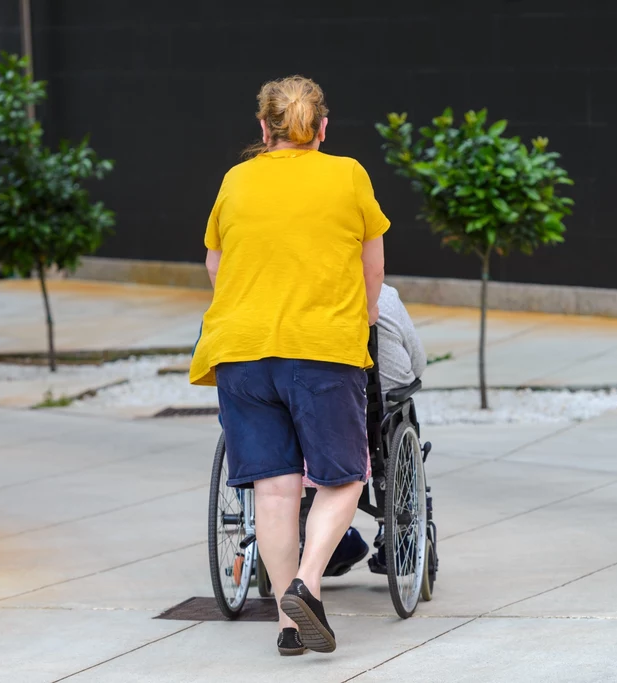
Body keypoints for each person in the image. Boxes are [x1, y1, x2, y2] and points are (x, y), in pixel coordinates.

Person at [190, 75, 388, 656]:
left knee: (275, 490)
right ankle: (307, 583)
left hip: (242, 354)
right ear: (322, 129)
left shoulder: (236, 179)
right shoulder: (348, 174)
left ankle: (288, 622)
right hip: (321, 348)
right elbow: (371, 267)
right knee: (344, 478)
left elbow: (214, 265)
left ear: (263, 128)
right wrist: (365, 323)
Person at [304, 282, 426, 575]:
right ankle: (396, 532)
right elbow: (417, 364)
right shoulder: (383, 296)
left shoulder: (302, 294)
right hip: (377, 417)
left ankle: (317, 534)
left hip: (313, 414)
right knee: (400, 411)